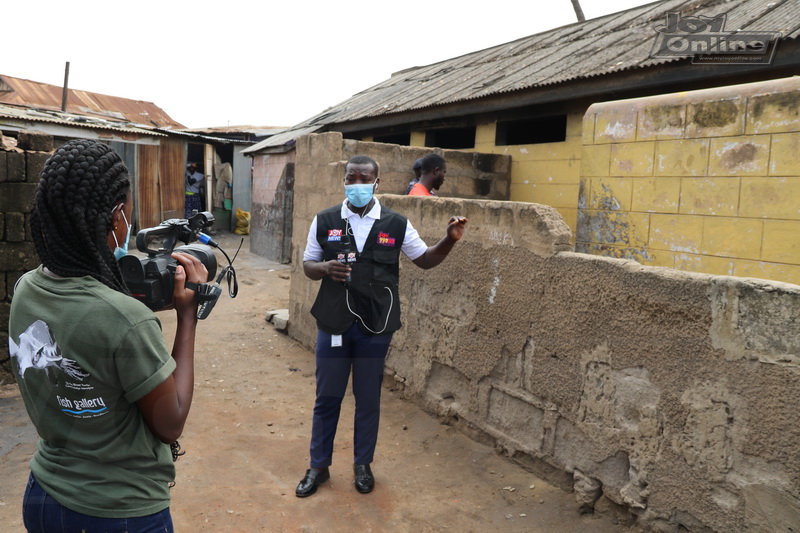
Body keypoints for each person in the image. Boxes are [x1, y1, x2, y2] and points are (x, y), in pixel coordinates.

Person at [8, 139, 208, 532]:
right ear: (118, 217)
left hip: (43, 496)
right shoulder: (125, 321)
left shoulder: (25, 289)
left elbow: (85, 319)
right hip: (117, 511)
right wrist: (188, 317)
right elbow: (171, 423)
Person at [296, 154, 467, 498]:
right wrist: (326, 267)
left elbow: (425, 260)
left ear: (377, 182)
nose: (356, 184)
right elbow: (307, 265)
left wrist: (449, 239)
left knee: (368, 397)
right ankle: (318, 465)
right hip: (334, 324)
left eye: (364, 178)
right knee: (327, 396)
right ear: (344, 181)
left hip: (375, 326)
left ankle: (362, 464)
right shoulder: (325, 219)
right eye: (351, 178)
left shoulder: (396, 224)